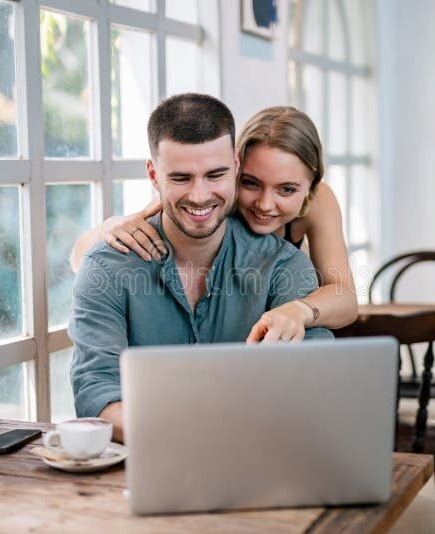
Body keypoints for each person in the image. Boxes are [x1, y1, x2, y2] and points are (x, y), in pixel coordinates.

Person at [69, 94, 333, 442]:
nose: (199, 195)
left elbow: (314, 381)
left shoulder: (283, 264)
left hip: (258, 456)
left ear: (236, 167)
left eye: (215, 175)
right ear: (153, 174)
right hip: (145, 464)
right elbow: (96, 392)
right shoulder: (108, 266)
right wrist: (190, 432)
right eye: (180, 178)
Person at [70, 106, 359, 343]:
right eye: (250, 183)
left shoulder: (319, 202)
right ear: (234, 169)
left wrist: (299, 309)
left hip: (293, 311)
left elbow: (344, 297)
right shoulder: (208, 201)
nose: (265, 204)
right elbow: (82, 258)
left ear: (310, 185)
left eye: (287, 190)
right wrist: (111, 226)